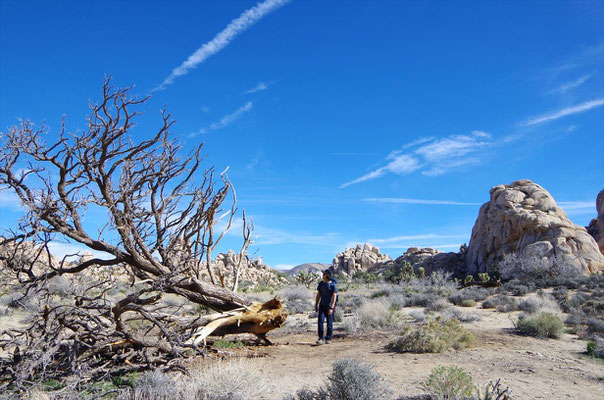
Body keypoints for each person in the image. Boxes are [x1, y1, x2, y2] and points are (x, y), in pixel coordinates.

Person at [315, 269, 338, 344]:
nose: (322, 275)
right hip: (322, 306)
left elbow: (334, 297)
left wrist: (331, 308)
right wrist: (316, 304)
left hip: (329, 306)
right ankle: (321, 338)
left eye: (323, 274)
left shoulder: (333, 285)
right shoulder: (321, 284)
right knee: (320, 322)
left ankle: (329, 338)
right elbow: (318, 295)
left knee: (329, 323)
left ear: (326, 275)